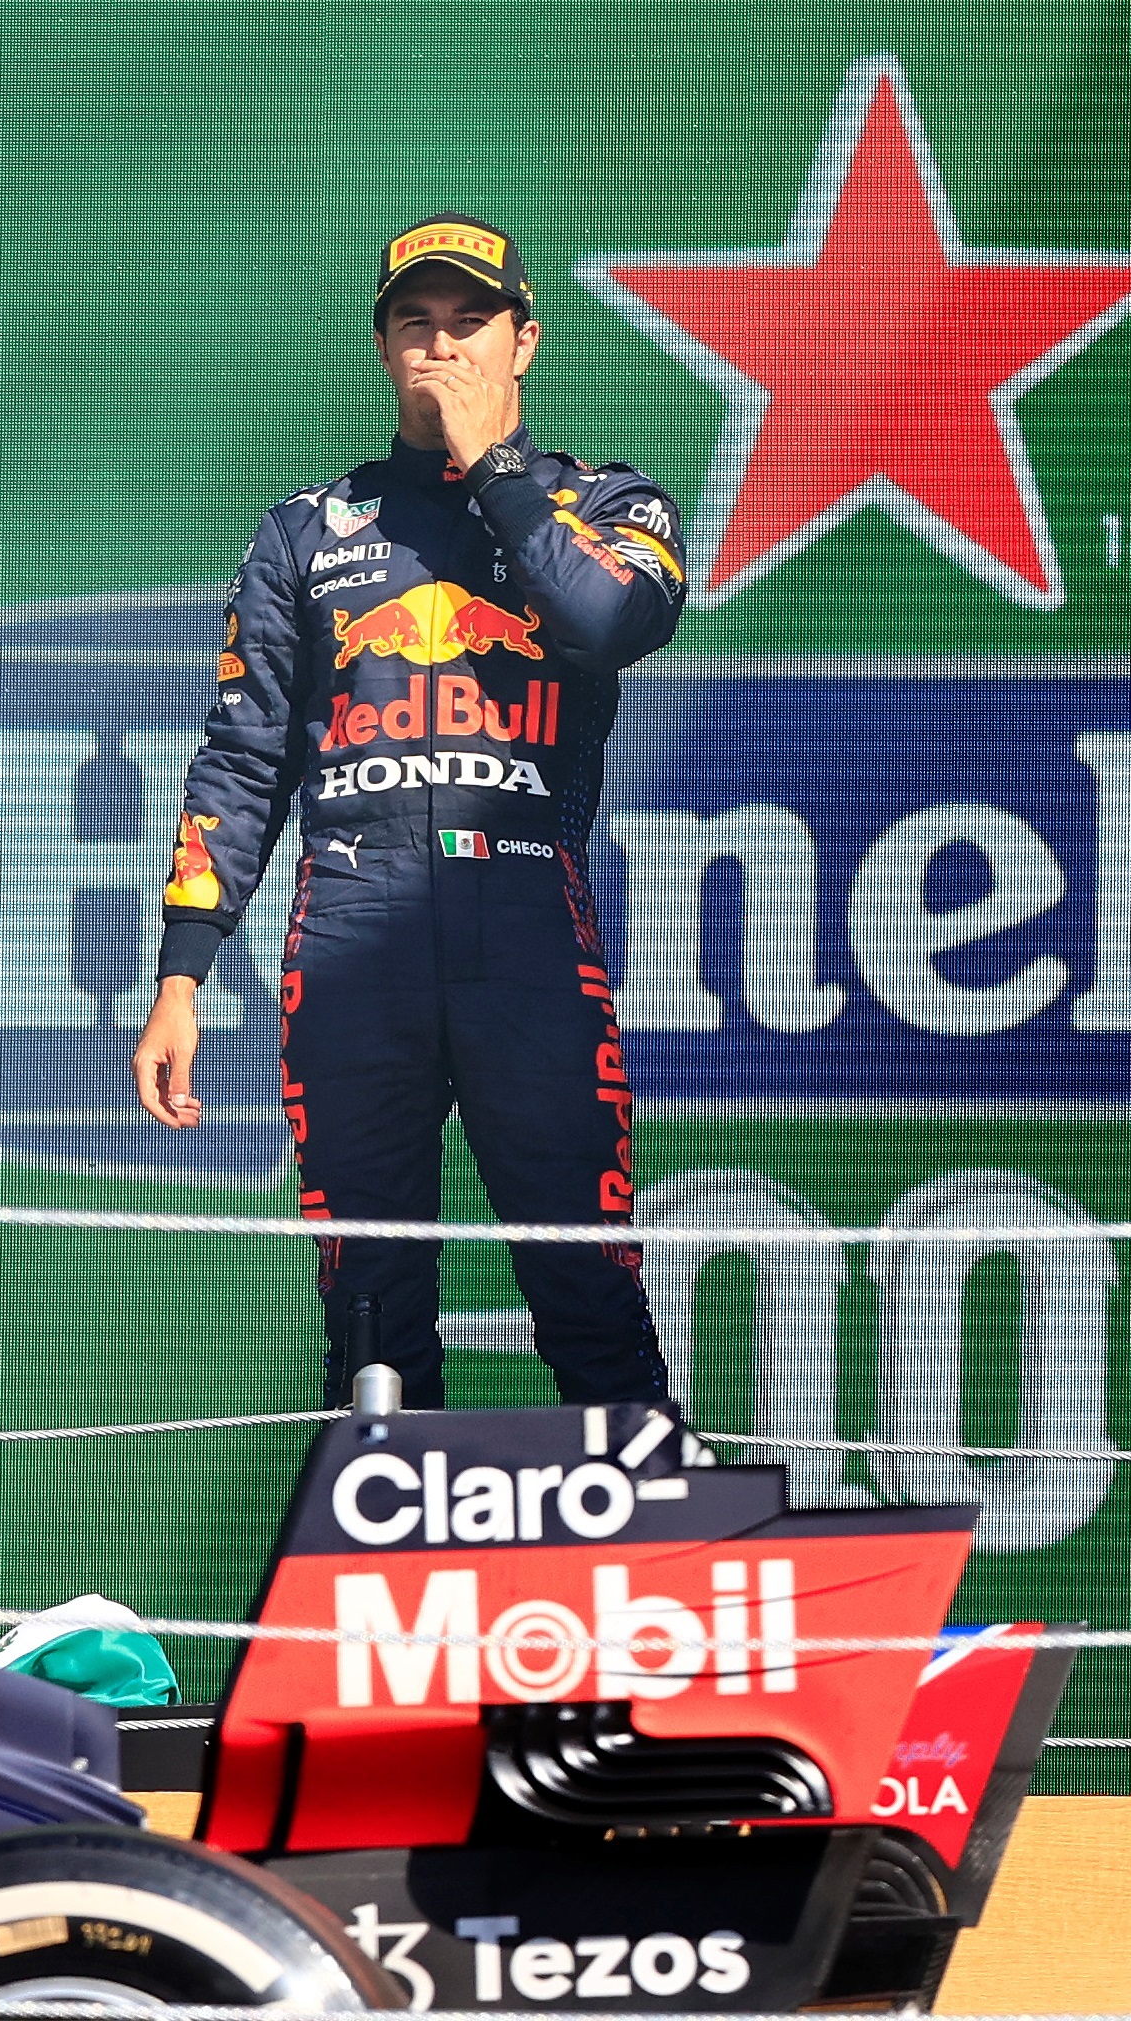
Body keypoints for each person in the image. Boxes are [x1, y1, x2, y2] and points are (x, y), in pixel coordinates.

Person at [134, 220, 690, 1414]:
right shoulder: (304, 530)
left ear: (523, 342)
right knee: (369, 1311)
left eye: (469, 324)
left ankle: (648, 1533)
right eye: (415, 325)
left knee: (586, 1282)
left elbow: (608, 623)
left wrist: (491, 466)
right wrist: (182, 974)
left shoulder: (608, 501)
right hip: (351, 930)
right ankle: (387, 1535)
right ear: (383, 349)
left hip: (528, 923)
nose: (442, 348)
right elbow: (242, 755)